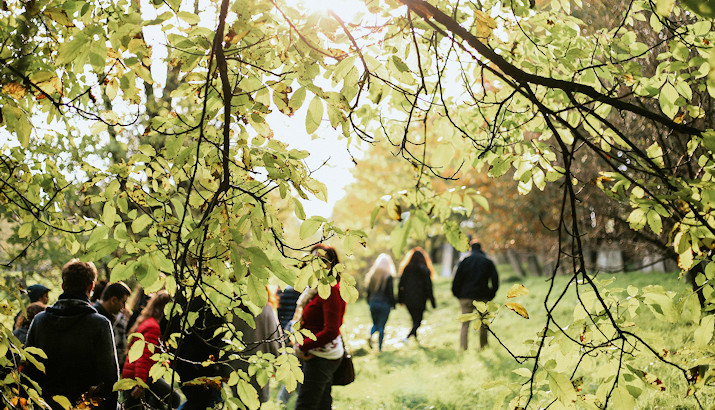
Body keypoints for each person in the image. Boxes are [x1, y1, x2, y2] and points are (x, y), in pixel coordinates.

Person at [24, 259, 119, 410]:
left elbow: (26, 372)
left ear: (63, 286)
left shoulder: (39, 322)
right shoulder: (99, 325)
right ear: (91, 286)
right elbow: (109, 379)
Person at [294, 244, 347, 410]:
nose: (316, 264)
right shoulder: (315, 289)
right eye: (312, 260)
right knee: (322, 404)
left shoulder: (331, 290)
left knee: (305, 405)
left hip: (322, 355)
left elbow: (332, 330)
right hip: (317, 352)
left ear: (331, 265)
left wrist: (303, 346)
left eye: (322, 260)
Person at [122, 290, 180, 409]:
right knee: (174, 399)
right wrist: (140, 383)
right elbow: (143, 357)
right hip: (139, 377)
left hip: (139, 375)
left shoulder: (147, 321)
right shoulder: (153, 328)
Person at [231, 287, 283, 403]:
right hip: (260, 363)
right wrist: (278, 362)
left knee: (240, 401)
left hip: (236, 365)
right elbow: (274, 338)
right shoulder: (266, 310)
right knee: (257, 402)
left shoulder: (230, 311)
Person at [452, 240, 499, 350]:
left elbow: (456, 279)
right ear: (481, 249)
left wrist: (458, 294)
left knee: (465, 324)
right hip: (482, 297)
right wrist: (491, 294)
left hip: (465, 297)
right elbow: (495, 280)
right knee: (484, 323)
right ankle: (484, 346)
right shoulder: (487, 261)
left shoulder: (464, 260)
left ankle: (463, 348)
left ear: (470, 249)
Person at [397, 247, 436, 342]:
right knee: (418, 321)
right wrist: (432, 301)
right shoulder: (425, 270)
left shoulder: (407, 269)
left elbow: (400, 285)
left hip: (408, 299)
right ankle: (408, 337)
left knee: (415, 320)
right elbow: (429, 286)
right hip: (420, 300)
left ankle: (413, 337)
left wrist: (400, 299)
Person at [364, 253, 396, 351]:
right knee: (382, 326)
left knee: (375, 324)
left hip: (373, 303)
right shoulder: (388, 276)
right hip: (384, 304)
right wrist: (393, 304)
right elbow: (390, 293)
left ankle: (370, 335)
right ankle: (380, 347)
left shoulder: (373, 274)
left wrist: (369, 301)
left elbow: (368, 291)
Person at [93, 282, 132, 361]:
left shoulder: (108, 317)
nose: (124, 307)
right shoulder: (96, 319)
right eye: (123, 302)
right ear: (113, 300)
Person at [276, 285, 301, 404]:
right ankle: (283, 400)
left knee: (292, 366)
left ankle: (283, 400)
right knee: (296, 367)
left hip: (284, 332)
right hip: (297, 333)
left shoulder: (281, 291)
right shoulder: (305, 292)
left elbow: (278, 313)